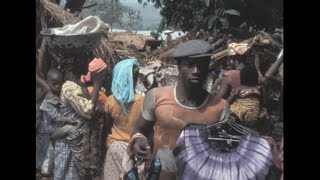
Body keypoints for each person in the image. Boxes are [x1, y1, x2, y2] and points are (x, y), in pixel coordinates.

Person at [127, 40, 229, 179]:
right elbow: (140, 130)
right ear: (179, 66)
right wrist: (139, 141)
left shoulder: (220, 107)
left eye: (201, 66)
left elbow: (225, 152)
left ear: (208, 68)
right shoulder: (156, 97)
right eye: (189, 65)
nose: (196, 71)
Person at [54, 57, 108, 180]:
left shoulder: (78, 83)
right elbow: (87, 111)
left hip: (78, 140)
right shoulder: (69, 86)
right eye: (84, 62)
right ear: (76, 66)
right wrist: (97, 84)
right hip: (70, 144)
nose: (87, 65)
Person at [103, 59, 144, 180]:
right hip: (136, 148)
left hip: (114, 147)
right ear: (135, 79)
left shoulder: (111, 100)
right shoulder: (142, 100)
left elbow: (107, 127)